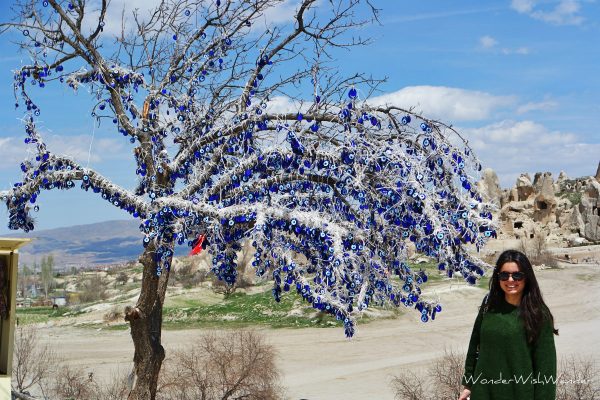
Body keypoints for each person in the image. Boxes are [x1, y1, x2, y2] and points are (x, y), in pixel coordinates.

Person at [458, 250, 558, 400]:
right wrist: (468, 384)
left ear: (527, 277)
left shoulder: (537, 314)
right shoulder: (489, 305)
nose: (510, 280)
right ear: (498, 277)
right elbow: (475, 344)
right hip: (483, 392)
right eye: (504, 275)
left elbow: (546, 370)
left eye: (517, 275)